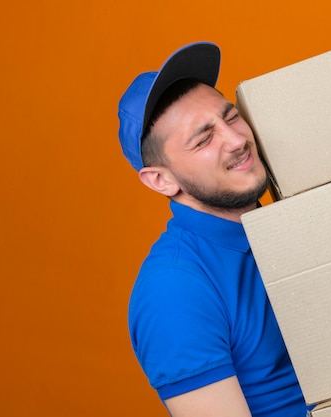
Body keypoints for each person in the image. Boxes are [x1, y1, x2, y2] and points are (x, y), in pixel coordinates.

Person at [117, 42, 312, 417]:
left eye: (232, 117)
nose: (238, 141)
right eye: (204, 139)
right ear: (160, 180)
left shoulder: (294, 225)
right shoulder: (174, 289)